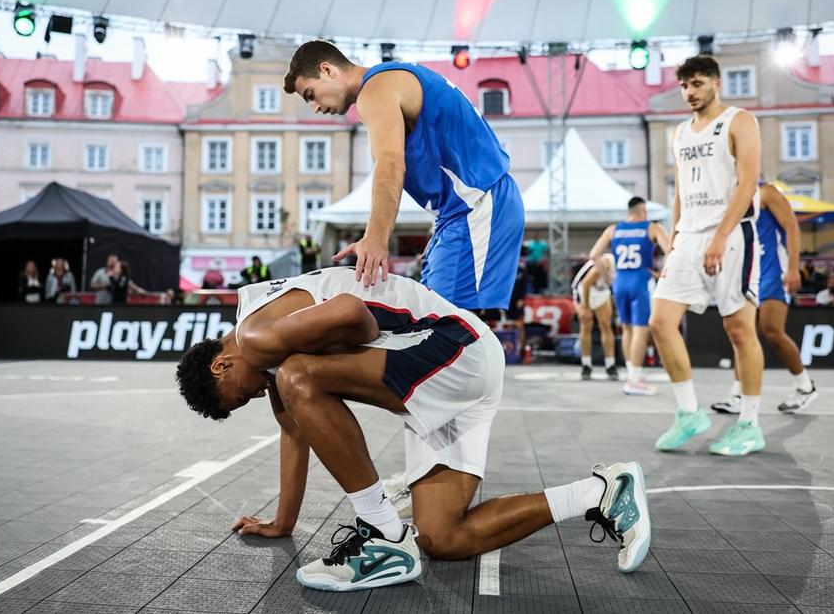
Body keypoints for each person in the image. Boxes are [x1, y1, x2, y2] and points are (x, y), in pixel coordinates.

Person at [175, 267, 650, 591]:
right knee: (442, 538)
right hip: (451, 371)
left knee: (301, 375)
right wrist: (282, 524)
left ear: (221, 365)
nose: (255, 395)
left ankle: (383, 533)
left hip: (450, 349)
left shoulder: (259, 339)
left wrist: (357, 350)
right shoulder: (260, 343)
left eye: (242, 394)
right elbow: (294, 433)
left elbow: (350, 314)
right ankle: (601, 493)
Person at [284, 41, 524, 310]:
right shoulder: (394, 77)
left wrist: (375, 239)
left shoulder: (375, 90)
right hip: (464, 210)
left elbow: (390, 163)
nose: (315, 106)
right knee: (433, 322)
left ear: (327, 70)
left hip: (477, 206)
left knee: (444, 326)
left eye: (310, 94)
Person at [649, 55, 765, 457]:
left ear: (716, 83)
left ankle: (749, 423)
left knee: (739, 331)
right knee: (661, 323)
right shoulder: (679, 132)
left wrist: (720, 234)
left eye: (697, 83)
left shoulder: (740, 121)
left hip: (732, 235)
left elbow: (748, 182)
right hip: (689, 236)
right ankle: (688, 413)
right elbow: (679, 191)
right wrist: (675, 239)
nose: (689, 92)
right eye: (684, 86)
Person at [711, 183, 818, 415]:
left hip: (772, 270)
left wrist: (793, 268)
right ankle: (738, 394)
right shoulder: (724, 195)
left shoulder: (766, 192)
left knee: (771, 330)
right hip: (745, 271)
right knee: (741, 334)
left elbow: (792, 227)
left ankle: (805, 386)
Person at [589, 196, 671, 395]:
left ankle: (632, 372)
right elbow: (671, 251)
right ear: (643, 210)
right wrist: (661, 274)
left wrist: (608, 278)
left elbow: (594, 255)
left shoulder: (613, 229)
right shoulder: (652, 228)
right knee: (641, 330)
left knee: (626, 329)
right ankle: (634, 380)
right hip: (640, 281)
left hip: (621, 282)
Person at [571, 254, 618, 381]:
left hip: (601, 291)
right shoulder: (603, 265)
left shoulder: (619, 266)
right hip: (584, 290)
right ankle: (586, 364)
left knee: (606, 326)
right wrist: (584, 307)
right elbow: (585, 284)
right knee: (586, 325)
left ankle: (610, 364)